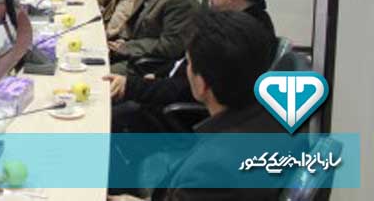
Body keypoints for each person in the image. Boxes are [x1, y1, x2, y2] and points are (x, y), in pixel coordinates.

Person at [109, 11, 283, 201]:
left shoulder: (210, 170)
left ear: (202, 85)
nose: (186, 70)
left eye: (189, 64)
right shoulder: (273, 119)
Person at [105, 0, 276, 132]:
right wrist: (156, 75)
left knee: (110, 120)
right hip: (170, 92)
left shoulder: (237, 34)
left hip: (183, 115)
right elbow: (183, 64)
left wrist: (132, 86)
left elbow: (189, 88)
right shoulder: (244, 22)